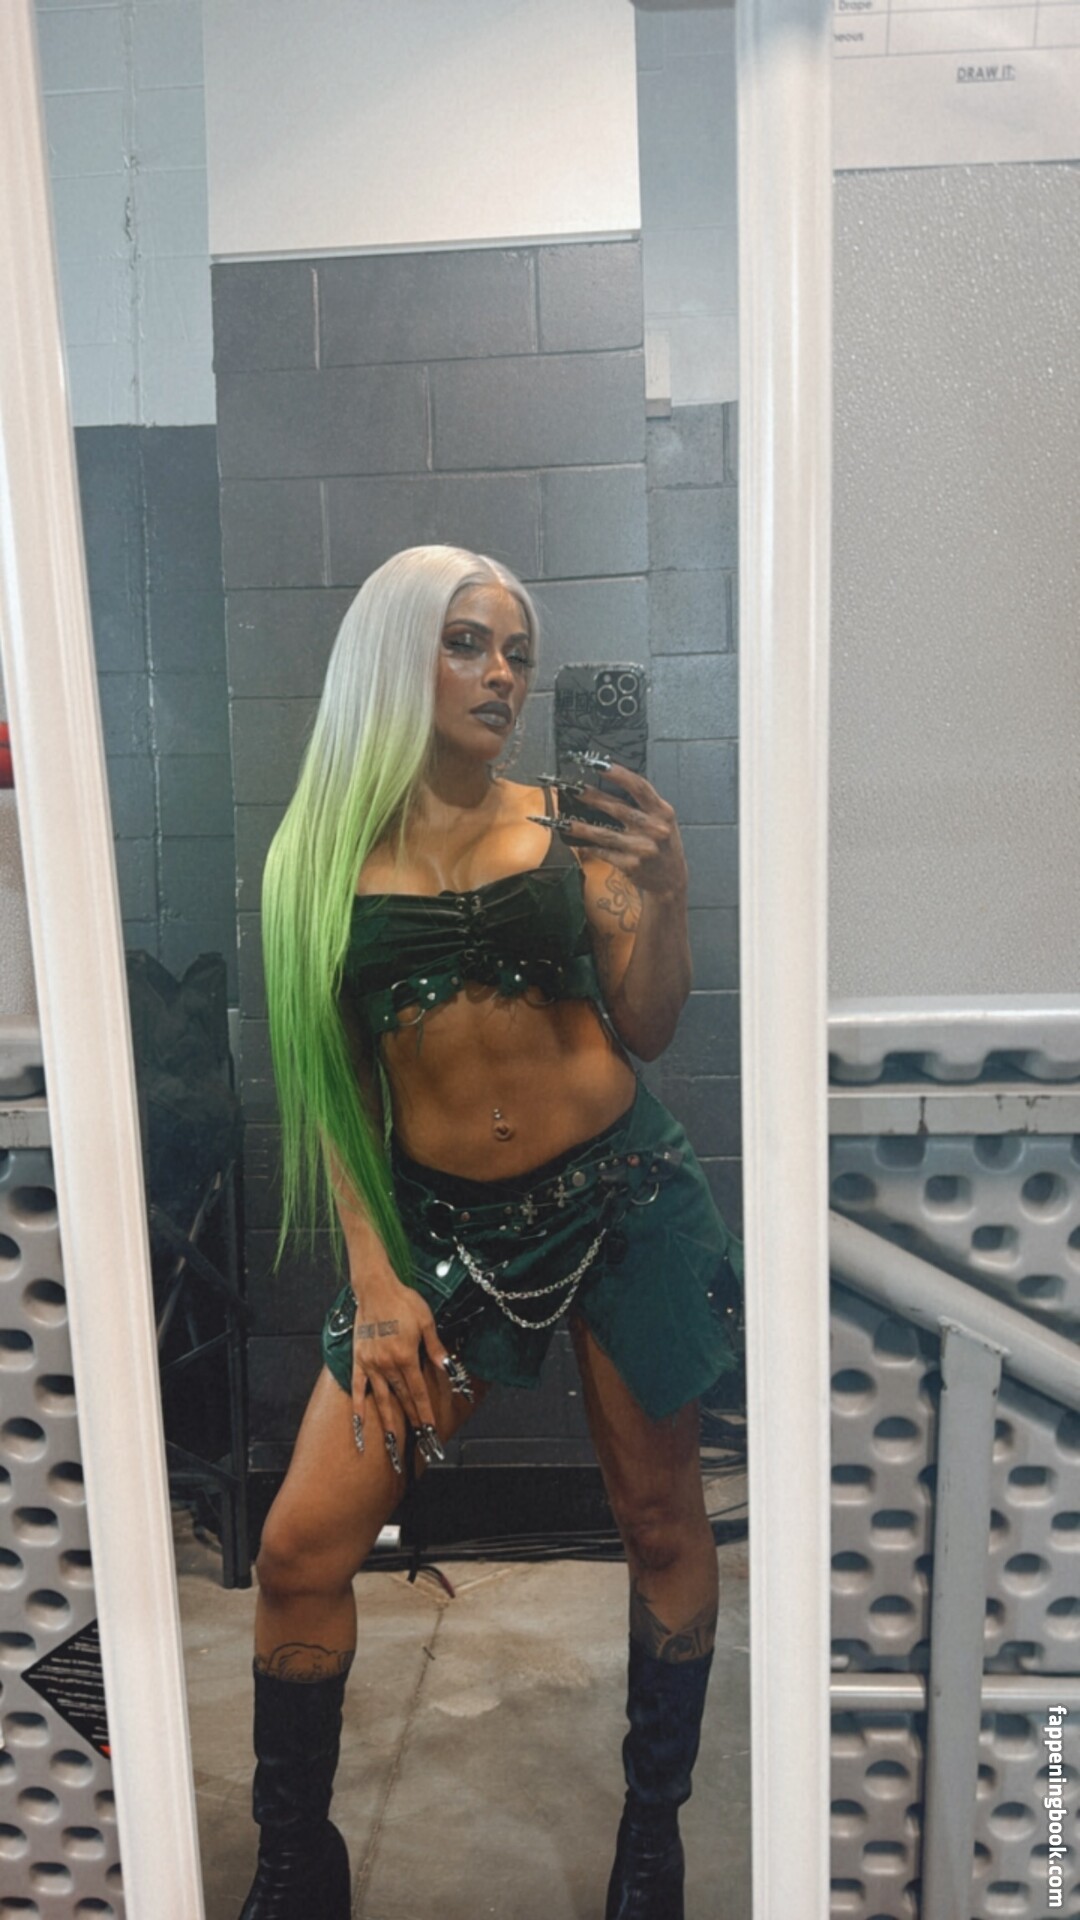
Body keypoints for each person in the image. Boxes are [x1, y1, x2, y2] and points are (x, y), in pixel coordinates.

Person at [241, 544, 743, 1920]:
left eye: (517, 651)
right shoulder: (315, 863)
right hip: (444, 1233)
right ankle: (294, 1859)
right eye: (468, 643)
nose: (503, 676)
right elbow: (335, 1089)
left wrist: (669, 892)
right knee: (299, 1549)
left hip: (626, 1198)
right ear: (395, 653)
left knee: (659, 1520)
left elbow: (649, 1026)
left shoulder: (577, 824)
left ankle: (653, 1837)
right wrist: (375, 1278)